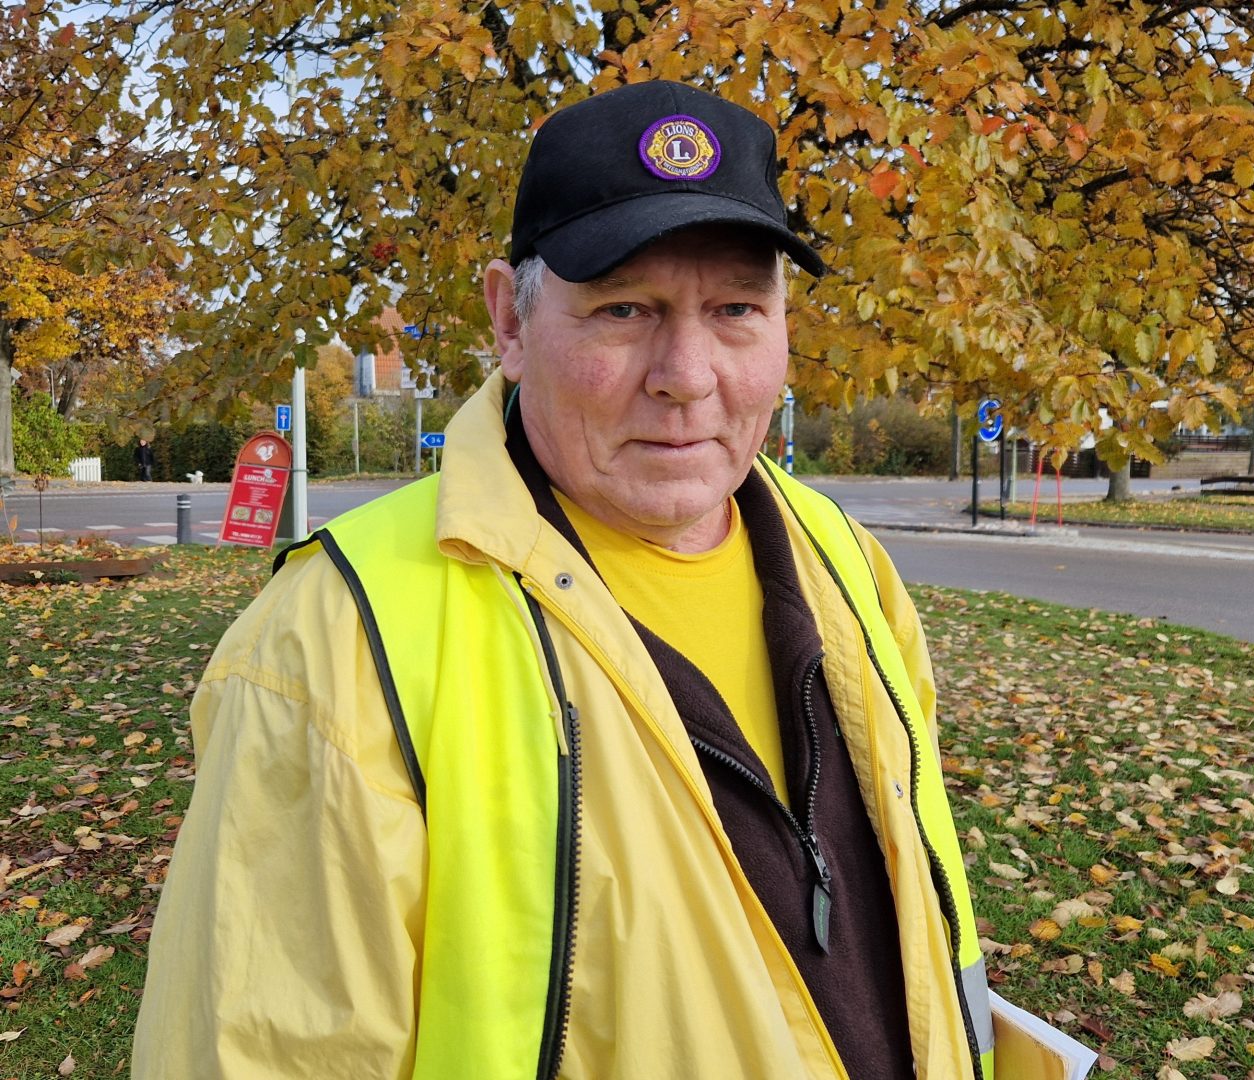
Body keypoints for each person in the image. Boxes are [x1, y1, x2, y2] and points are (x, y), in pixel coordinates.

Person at [133, 81, 1001, 1079]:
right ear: (508, 318)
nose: (686, 373)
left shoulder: (842, 560)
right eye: (625, 309)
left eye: (734, 309)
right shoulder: (333, 644)